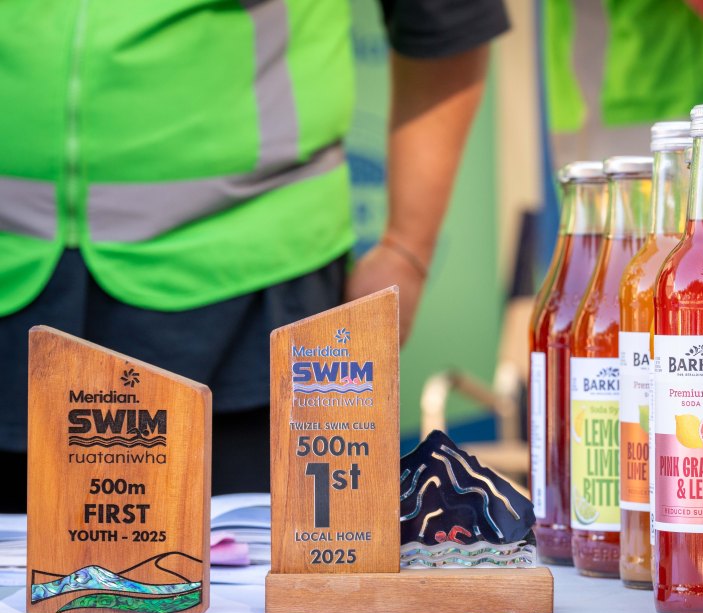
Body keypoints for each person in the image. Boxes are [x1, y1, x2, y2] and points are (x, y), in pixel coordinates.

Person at [0, 0, 509, 511]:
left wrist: (406, 250)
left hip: (251, 294)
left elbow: (448, 14)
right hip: (13, 281)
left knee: (251, 575)